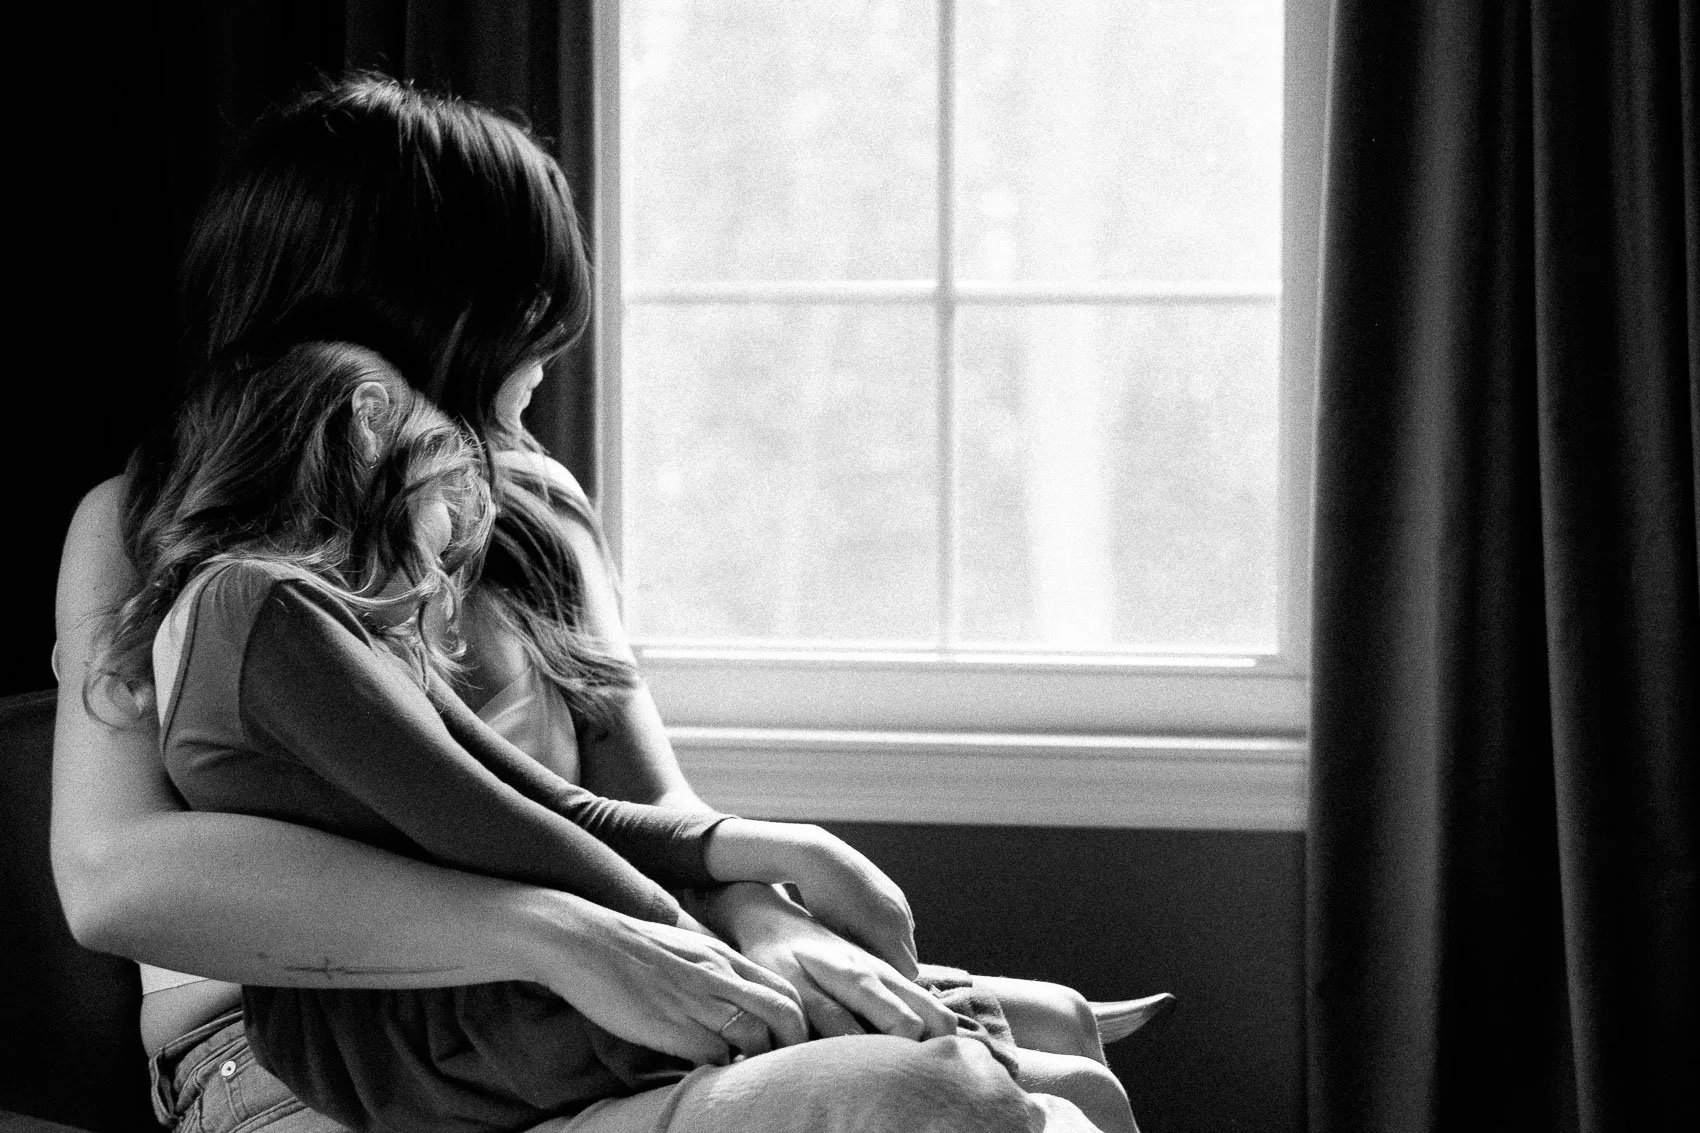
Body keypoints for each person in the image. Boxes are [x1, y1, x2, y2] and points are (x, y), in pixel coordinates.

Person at [52, 75, 1140, 1133]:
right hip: (296, 1059)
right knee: (943, 1093)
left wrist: (757, 919)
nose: (547, 339)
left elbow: (650, 802)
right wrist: (555, 934)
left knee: (1059, 1041)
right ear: (401, 318)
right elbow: (116, 877)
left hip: (584, 981)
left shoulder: (537, 508)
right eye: (518, 303)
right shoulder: (149, 527)